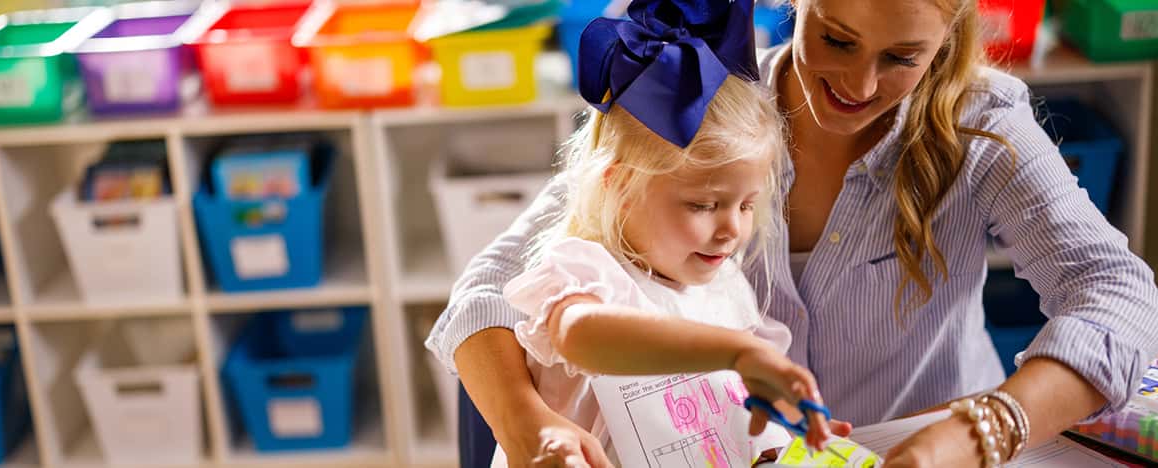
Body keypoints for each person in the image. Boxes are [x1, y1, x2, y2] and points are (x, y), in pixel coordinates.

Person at [427, 0, 1158, 466]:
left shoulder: (982, 124)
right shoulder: (707, 116)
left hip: (917, 446)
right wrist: (528, 425)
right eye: (835, 38)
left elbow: (1116, 292)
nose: (859, 86)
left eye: (902, 57)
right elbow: (489, 289)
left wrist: (984, 429)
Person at [490, 0, 848, 465]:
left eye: (746, 204)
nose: (731, 229)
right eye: (703, 205)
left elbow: (728, 412)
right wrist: (737, 352)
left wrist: (787, 427)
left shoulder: (723, 286)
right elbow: (580, 336)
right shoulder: (587, 271)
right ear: (619, 186)